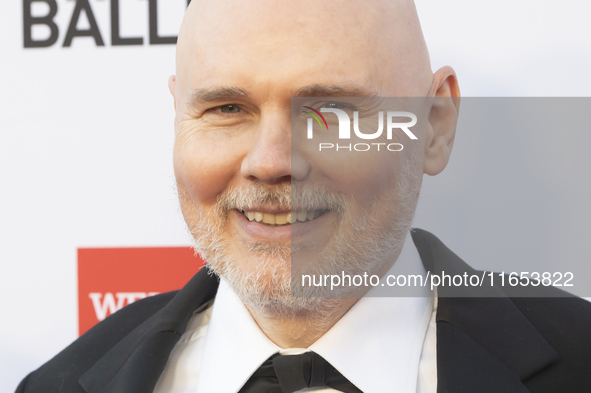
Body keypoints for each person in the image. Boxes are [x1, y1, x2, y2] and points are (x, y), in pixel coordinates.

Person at [16, 0, 591, 392]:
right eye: (226, 109)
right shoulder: (60, 384)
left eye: (331, 109)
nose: (270, 162)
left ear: (434, 124)